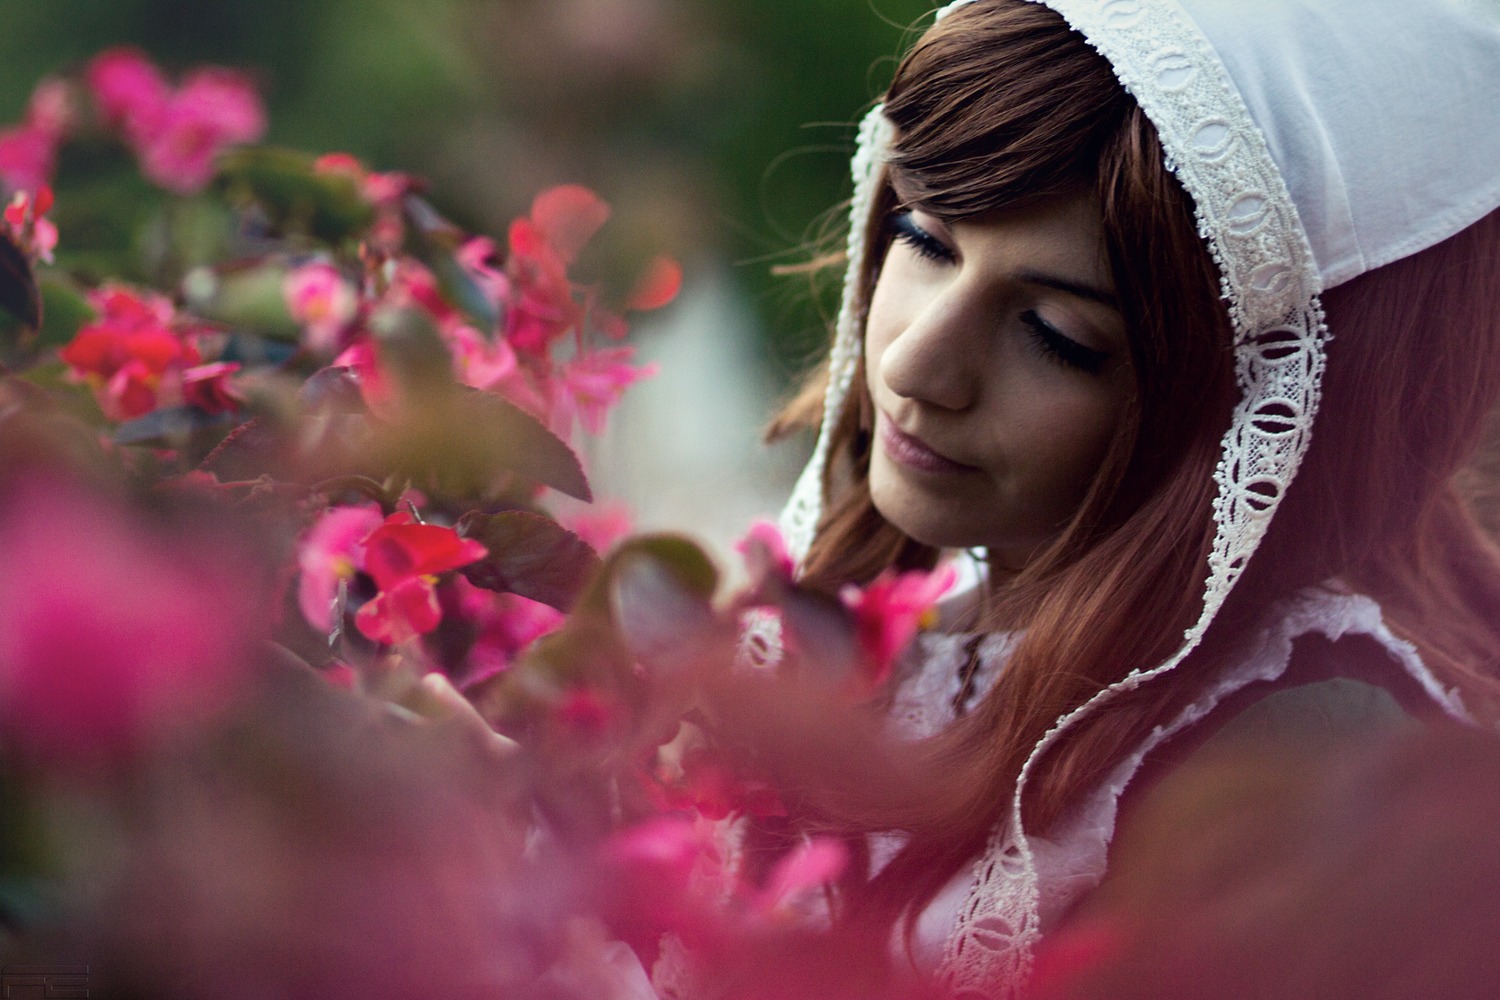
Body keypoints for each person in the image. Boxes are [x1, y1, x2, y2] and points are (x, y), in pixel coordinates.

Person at [751, 0, 1500, 996]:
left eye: (1058, 333)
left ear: (1251, 402)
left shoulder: (1302, 765)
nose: (917, 364)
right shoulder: (908, 612)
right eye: (922, 238)